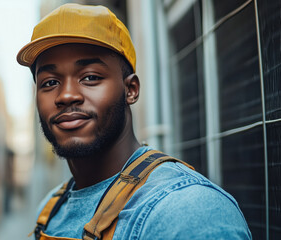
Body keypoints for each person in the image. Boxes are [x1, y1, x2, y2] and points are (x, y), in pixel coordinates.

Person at [17, 3, 251, 240]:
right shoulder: (51, 208)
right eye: (49, 83)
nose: (66, 95)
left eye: (90, 77)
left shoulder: (187, 212)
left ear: (131, 89)